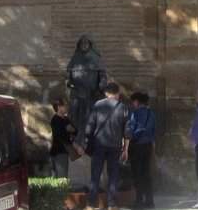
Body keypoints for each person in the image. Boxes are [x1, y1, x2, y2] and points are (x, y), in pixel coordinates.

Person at [85, 82, 130, 210]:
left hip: (99, 145)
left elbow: (89, 128)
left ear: (106, 93)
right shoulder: (123, 107)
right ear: (118, 93)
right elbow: (127, 131)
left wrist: (88, 141)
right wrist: (126, 149)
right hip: (115, 146)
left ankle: (91, 205)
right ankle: (112, 205)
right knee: (113, 175)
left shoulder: (98, 105)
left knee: (95, 175)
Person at [67, 34, 108, 148]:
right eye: (82, 43)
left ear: (90, 45)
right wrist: (70, 82)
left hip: (92, 95)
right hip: (77, 95)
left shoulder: (96, 58)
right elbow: (69, 75)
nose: (84, 45)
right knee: (75, 118)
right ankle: (77, 141)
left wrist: (100, 87)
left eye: (86, 43)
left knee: (90, 120)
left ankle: (88, 143)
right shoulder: (75, 58)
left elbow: (103, 76)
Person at [127, 91, 156, 209]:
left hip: (136, 146)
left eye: (133, 102)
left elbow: (131, 128)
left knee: (137, 174)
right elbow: (154, 130)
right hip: (148, 146)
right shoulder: (151, 114)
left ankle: (139, 200)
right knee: (146, 173)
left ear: (137, 102)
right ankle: (150, 201)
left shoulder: (135, 113)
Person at [49, 98, 78, 178]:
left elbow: (75, 130)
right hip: (58, 151)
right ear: (58, 107)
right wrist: (67, 130)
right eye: (64, 105)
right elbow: (60, 135)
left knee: (62, 176)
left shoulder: (66, 119)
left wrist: (69, 130)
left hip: (64, 151)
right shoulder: (55, 119)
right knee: (60, 177)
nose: (66, 107)